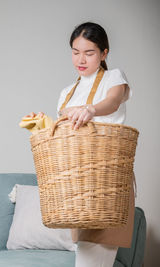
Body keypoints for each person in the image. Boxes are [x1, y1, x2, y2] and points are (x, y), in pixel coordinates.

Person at [56, 22, 135, 267]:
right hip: (79, 187)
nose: (81, 59)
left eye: (89, 53)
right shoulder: (67, 92)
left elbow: (112, 102)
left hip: (105, 183)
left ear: (104, 53)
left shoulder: (114, 77)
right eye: (75, 51)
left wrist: (90, 109)